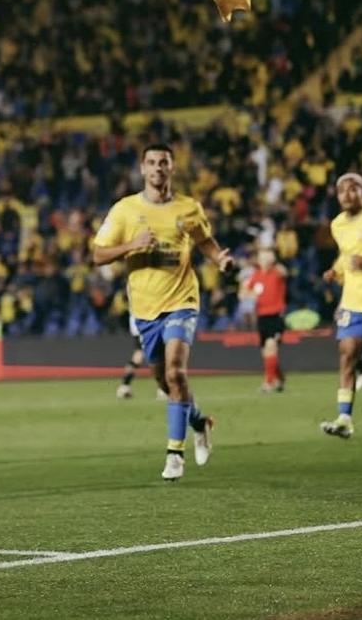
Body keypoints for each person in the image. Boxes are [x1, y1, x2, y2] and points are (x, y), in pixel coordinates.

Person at [92, 143, 234, 481]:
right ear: (142, 168)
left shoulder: (188, 207)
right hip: (145, 308)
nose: (158, 168)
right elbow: (98, 255)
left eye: (164, 162)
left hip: (182, 301)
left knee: (175, 372)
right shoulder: (125, 210)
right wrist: (132, 245)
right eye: (152, 162)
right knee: (164, 379)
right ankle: (199, 421)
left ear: (172, 168)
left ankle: (175, 454)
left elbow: (204, 240)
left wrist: (219, 259)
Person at [320, 172, 362, 439]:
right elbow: (346, 255)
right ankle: (344, 418)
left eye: (353, 188)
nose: (347, 194)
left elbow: (359, 259)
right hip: (354, 302)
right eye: (341, 190)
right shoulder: (338, 224)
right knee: (347, 355)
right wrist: (336, 271)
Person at [242, 247, 287, 392]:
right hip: (262, 317)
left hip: (276, 316)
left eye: (268, 255)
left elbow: (285, 272)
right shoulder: (256, 275)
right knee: (266, 353)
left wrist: (275, 262)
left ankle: (268, 383)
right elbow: (243, 292)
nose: (265, 257)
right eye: (262, 255)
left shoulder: (277, 271)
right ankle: (280, 378)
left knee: (270, 346)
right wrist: (249, 294)